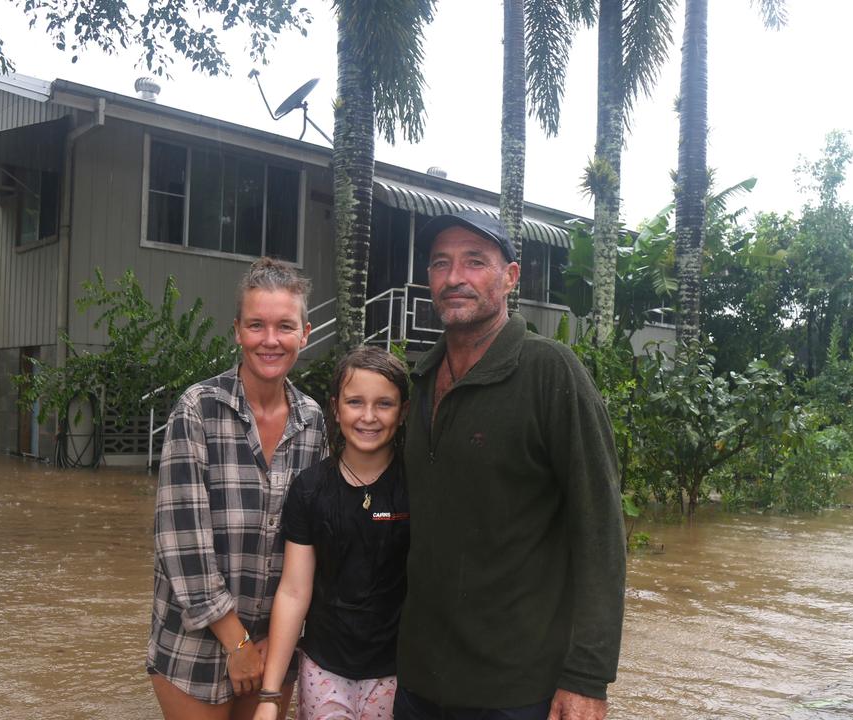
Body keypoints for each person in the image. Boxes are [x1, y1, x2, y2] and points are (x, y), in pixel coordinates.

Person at [395, 211, 626, 720]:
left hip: (517, 692)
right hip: (417, 682)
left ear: (510, 277)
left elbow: (601, 530)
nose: (455, 277)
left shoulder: (551, 372)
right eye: (441, 263)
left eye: (475, 262)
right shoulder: (420, 378)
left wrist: (587, 676)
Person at [147, 257, 327, 720]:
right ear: (237, 331)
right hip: (195, 646)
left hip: (274, 647)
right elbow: (181, 542)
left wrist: (278, 640)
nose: (270, 340)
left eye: (285, 326)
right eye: (256, 326)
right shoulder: (197, 410)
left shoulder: (313, 423)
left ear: (304, 333)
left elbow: (316, 542)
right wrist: (238, 642)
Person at [254, 346, 412, 720]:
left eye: (384, 404)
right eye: (355, 402)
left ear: (403, 411)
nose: (368, 417)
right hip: (323, 669)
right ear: (336, 408)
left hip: (399, 673)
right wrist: (269, 695)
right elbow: (294, 591)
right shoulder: (309, 489)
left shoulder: (419, 487)